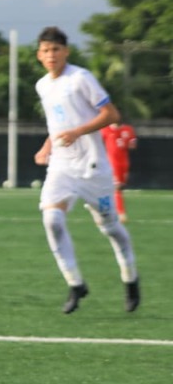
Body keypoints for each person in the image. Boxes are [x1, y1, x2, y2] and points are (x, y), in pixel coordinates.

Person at [32, 26, 140, 314]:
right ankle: (75, 283)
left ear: (66, 52)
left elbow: (111, 114)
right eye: (46, 50)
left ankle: (130, 278)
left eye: (56, 49)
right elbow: (57, 124)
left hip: (93, 168)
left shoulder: (80, 78)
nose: (51, 55)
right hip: (62, 166)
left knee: (111, 229)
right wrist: (47, 146)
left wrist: (78, 132)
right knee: (52, 220)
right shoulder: (42, 85)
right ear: (39, 55)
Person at [100, 120, 137, 223]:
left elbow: (132, 145)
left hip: (124, 163)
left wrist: (130, 142)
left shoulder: (128, 129)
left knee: (119, 188)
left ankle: (104, 210)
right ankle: (120, 213)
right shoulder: (105, 129)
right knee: (116, 188)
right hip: (112, 163)